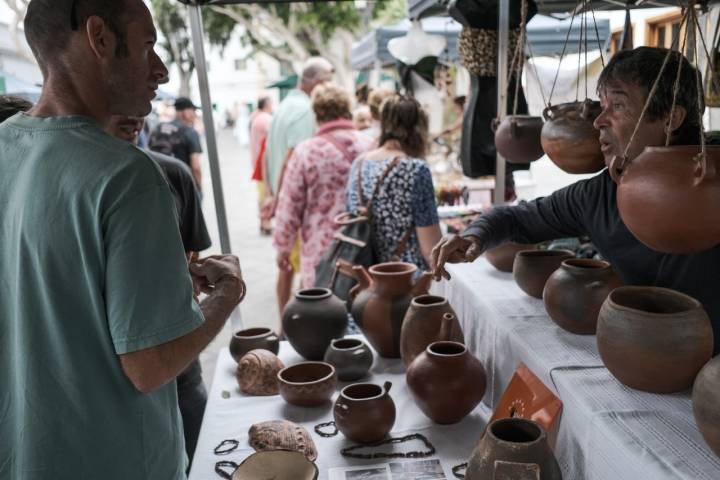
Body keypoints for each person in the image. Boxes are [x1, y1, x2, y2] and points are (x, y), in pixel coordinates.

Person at [0, 2, 244, 479]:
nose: (162, 70)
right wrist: (227, 294)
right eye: (149, 45)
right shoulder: (127, 176)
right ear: (100, 38)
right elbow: (150, 364)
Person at [431, 47, 720, 354]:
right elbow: (518, 218)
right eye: (602, 105)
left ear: (671, 117)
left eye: (618, 105)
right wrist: (475, 235)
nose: (599, 121)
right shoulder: (600, 194)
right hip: (643, 356)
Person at [105, 115, 211, 468]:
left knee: (197, 453)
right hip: (117, 376)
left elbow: (192, 259)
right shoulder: (77, 182)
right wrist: (225, 300)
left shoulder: (171, 173)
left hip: (179, 360)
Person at [273, 84, 374, 288]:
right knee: (365, 309)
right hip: (367, 247)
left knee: (322, 311)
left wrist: (283, 248)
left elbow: (289, 205)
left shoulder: (306, 151)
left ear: (317, 114)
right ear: (347, 110)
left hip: (322, 250)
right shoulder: (370, 145)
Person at [264, 56, 334, 313]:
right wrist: (281, 199)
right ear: (316, 83)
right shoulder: (305, 110)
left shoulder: (283, 107)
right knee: (301, 273)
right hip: (296, 206)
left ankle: (285, 324)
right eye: (328, 82)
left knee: (286, 269)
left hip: (284, 200)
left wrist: (272, 195)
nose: (330, 87)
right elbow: (292, 158)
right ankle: (297, 325)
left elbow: (266, 155)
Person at [346, 95, 442, 270]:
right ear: (418, 129)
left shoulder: (359, 165)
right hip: (404, 277)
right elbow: (432, 250)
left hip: (363, 278)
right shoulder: (416, 169)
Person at [149, 96, 204, 190]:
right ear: (185, 112)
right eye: (193, 111)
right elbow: (196, 166)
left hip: (160, 183)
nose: (195, 114)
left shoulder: (159, 127)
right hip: (183, 185)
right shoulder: (190, 132)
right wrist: (198, 188)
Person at [250, 96, 274, 234]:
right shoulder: (266, 119)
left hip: (257, 160)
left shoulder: (255, 118)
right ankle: (266, 223)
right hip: (264, 162)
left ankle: (263, 222)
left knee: (262, 194)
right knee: (265, 194)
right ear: (267, 104)